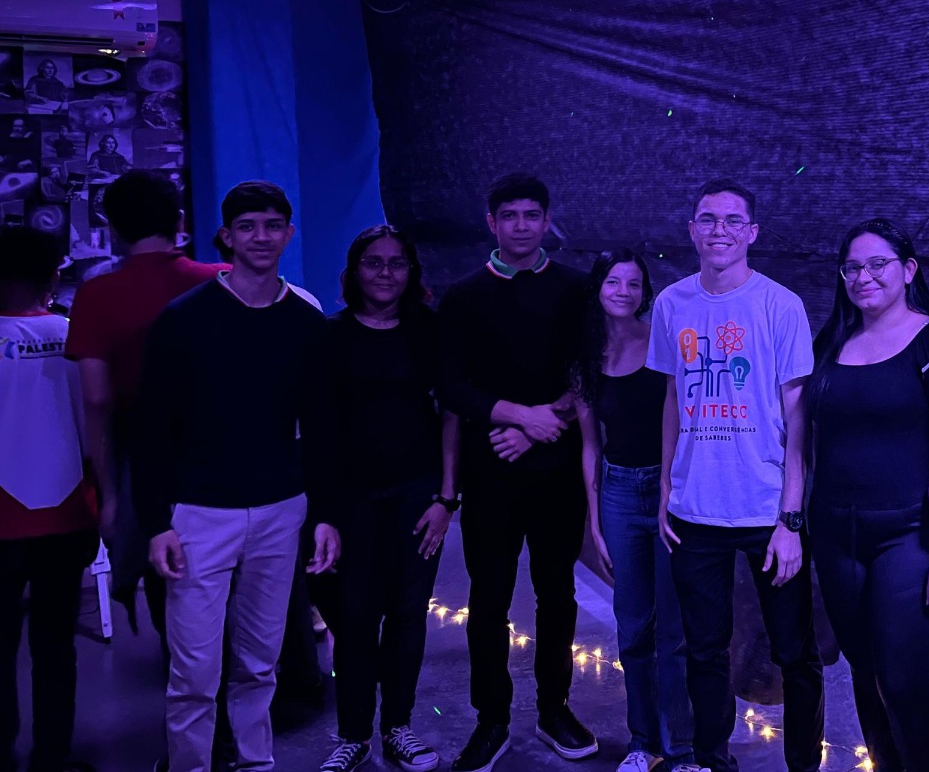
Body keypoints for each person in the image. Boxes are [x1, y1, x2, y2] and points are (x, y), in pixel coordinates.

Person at [133, 180, 340, 772]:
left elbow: (322, 428)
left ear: (289, 234)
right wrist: (156, 523)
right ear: (226, 236)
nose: (261, 237)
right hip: (198, 513)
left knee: (259, 663)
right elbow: (151, 429)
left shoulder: (305, 322)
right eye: (247, 226)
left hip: (281, 507)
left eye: (272, 226)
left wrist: (325, 515)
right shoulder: (183, 320)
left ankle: (255, 762)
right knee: (194, 672)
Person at [648, 178, 824, 772]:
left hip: (767, 511)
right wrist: (667, 487)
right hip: (695, 512)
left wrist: (791, 520)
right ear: (691, 230)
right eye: (707, 218)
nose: (718, 229)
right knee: (704, 650)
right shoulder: (672, 303)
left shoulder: (780, 305)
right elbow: (672, 400)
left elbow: (798, 416)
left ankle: (803, 764)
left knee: (794, 654)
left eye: (731, 220)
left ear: (751, 232)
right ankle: (712, 759)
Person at [436, 173, 595, 771]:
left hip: (556, 465)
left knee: (557, 593)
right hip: (492, 469)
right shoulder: (464, 296)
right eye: (510, 216)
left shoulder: (576, 289)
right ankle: (491, 720)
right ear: (491, 223)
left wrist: (543, 420)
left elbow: (592, 367)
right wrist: (516, 415)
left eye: (532, 215)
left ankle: (555, 709)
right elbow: (452, 386)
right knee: (488, 598)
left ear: (547, 221)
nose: (521, 225)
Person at [805, 219, 929, 772]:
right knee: (864, 673)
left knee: (904, 682)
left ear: (909, 270)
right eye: (852, 267)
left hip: (910, 535)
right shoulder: (832, 342)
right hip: (836, 534)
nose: (864, 276)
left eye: (878, 264)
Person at [313, 226, 458, 772]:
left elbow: (451, 415)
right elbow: (319, 431)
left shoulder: (430, 331)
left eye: (397, 263)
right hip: (351, 498)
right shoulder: (330, 336)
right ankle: (353, 735)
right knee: (354, 617)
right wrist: (324, 514)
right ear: (354, 271)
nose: (385, 273)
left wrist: (446, 498)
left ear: (411, 271)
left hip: (418, 495)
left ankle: (398, 727)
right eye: (373, 263)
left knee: (407, 613)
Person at [65, 170, 224, 645]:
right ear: (180, 220)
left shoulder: (96, 295)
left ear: (113, 228)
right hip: (224, 450)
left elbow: (96, 398)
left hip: (141, 454)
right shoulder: (221, 282)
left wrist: (110, 493)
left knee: (164, 572)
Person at [573, 250, 694, 772]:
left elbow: (680, 418)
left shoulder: (663, 342)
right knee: (633, 626)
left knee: (674, 630)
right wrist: (595, 518)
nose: (623, 291)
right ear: (598, 287)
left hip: (667, 489)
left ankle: (682, 748)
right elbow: (590, 443)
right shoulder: (585, 358)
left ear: (645, 292)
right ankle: (643, 742)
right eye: (613, 282)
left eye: (633, 283)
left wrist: (669, 489)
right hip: (619, 493)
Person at [0, 227, 103, 772]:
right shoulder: (72, 336)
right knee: (55, 644)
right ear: (54, 274)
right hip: (66, 514)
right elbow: (96, 424)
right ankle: (53, 755)